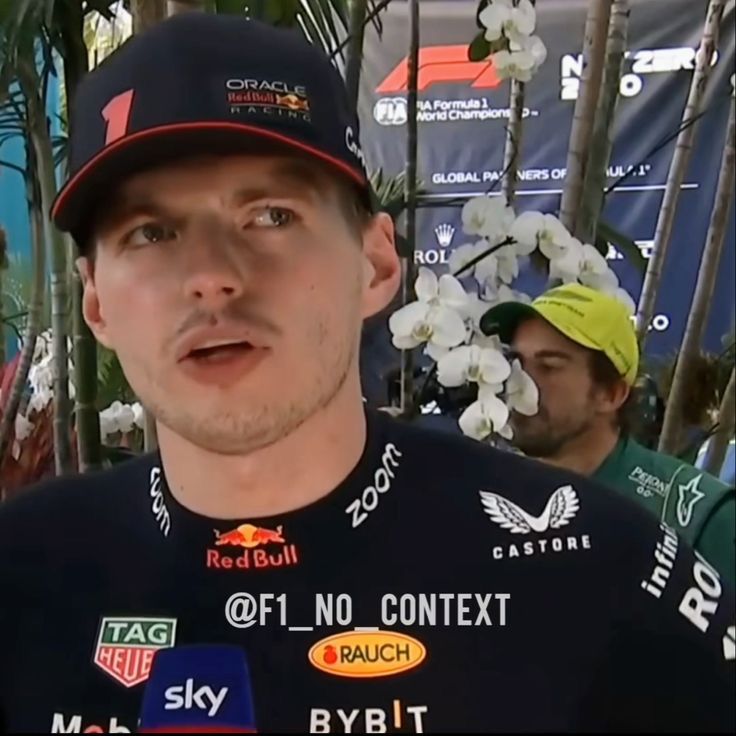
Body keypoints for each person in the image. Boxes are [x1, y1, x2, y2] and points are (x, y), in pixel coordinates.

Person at [0, 13, 733, 733]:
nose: (212, 277)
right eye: (151, 233)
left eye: (271, 216)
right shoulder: (23, 576)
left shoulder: (594, 570)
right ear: (95, 300)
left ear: (378, 263)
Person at [481, 283, 736, 584]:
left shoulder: (698, 516)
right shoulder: (480, 497)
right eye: (517, 363)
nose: (520, 382)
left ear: (612, 394)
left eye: (548, 367)